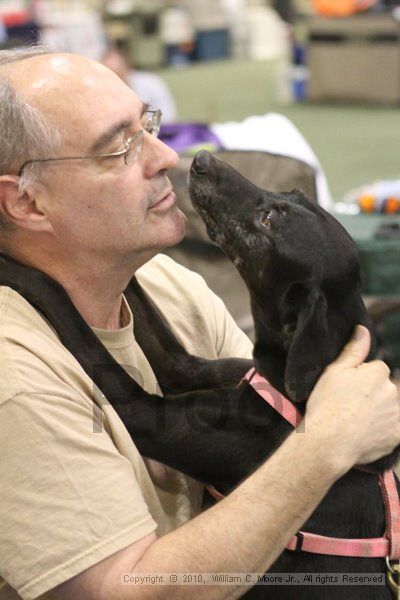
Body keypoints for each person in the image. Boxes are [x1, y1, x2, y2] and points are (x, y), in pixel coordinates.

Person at [0, 46, 398, 600]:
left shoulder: (166, 282)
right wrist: (329, 441)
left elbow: (250, 441)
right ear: (28, 203)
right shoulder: (12, 376)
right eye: (119, 147)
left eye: (148, 126)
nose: (165, 156)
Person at [101, 46, 178, 124]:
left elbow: (167, 121)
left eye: (118, 75)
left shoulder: (151, 84)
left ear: (128, 69)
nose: (115, 82)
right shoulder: (102, 95)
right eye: (108, 78)